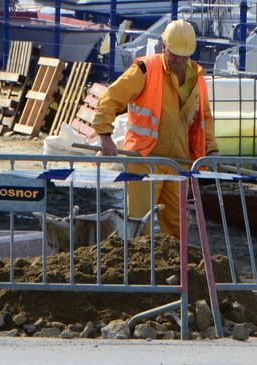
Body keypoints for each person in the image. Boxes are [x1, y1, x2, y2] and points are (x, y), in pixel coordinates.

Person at [93, 19, 218, 236]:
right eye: (175, 53)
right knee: (141, 223)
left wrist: (211, 149)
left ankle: (177, 267)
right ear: (164, 46)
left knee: (178, 226)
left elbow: (204, 118)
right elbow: (110, 98)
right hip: (143, 160)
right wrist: (105, 136)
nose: (179, 60)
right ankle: (140, 267)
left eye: (184, 54)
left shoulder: (196, 79)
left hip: (178, 163)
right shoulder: (145, 70)